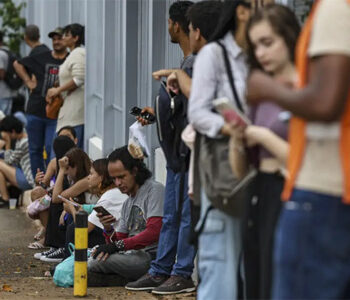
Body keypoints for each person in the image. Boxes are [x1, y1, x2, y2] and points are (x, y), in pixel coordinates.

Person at [246, 0, 350, 298]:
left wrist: (266, 88)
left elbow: (326, 102)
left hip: (321, 195)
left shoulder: (333, 9)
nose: (261, 53)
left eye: (268, 42)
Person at [127, 1, 223, 295]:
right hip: (177, 154)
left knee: (182, 216)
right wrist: (158, 113)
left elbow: (199, 106)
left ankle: (180, 272)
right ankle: (162, 269)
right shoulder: (187, 64)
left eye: (169, 22)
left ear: (179, 26)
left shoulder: (195, 64)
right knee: (173, 216)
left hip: (186, 154)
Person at [227, 4, 300, 299]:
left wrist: (263, 136)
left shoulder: (307, 91)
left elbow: (303, 158)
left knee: (278, 280)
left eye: (268, 43)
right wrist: (236, 139)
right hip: (259, 190)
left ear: (290, 38)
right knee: (254, 278)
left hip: (291, 192)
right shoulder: (260, 91)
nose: (261, 53)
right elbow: (241, 170)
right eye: (256, 46)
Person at [187, 1, 251, 299]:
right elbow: (197, 114)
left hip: (262, 172)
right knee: (220, 266)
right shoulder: (214, 54)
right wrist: (234, 128)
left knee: (251, 270)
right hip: (225, 173)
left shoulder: (263, 54)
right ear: (242, 11)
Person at [87, 146, 164, 287]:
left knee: (94, 262)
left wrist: (117, 246)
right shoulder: (128, 202)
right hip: (131, 256)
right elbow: (119, 240)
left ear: (134, 171)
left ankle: (121, 278)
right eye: (114, 179)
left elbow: (154, 231)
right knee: (94, 257)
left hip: (151, 258)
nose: (117, 183)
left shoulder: (154, 190)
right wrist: (108, 228)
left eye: (121, 177)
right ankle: (121, 278)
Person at [13, 27, 68, 177]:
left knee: (52, 148)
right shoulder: (42, 56)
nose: (56, 42)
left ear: (66, 40)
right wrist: (28, 82)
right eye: (54, 39)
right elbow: (17, 64)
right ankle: (39, 182)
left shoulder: (69, 59)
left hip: (56, 113)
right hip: (35, 110)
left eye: (60, 38)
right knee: (35, 149)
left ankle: (52, 181)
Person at [62, 158, 127, 258]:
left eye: (91, 174)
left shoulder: (109, 197)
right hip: (115, 236)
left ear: (101, 177)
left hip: (117, 241)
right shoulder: (112, 192)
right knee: (73, 219)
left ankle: (70, 262)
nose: (88, 177)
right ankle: (67, 257)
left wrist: (71, 208)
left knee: (73, 228)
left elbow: (84, 229)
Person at [46, 24, 85, 149]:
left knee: (65, 151)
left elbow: (79, 79)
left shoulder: (78, 53)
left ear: (75, 38)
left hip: (74, 114)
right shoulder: (73, 54)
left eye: (67, 35)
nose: (63, 37)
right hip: (69, 110)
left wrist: (58, 90)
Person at [0, 116, 33, 206]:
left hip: (28, 180)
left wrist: (7, 143)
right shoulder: (24, 137)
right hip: (24, 173)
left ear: (13, 131)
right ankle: (5, 198)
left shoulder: (23, 142)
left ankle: (5, 199)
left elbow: (9, 161)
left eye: (7, 134)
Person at [0, 31, 14, 115]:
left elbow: (1, 74)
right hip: (6, 93)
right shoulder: (7, 51)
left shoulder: (0, 54)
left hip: (2, 95)